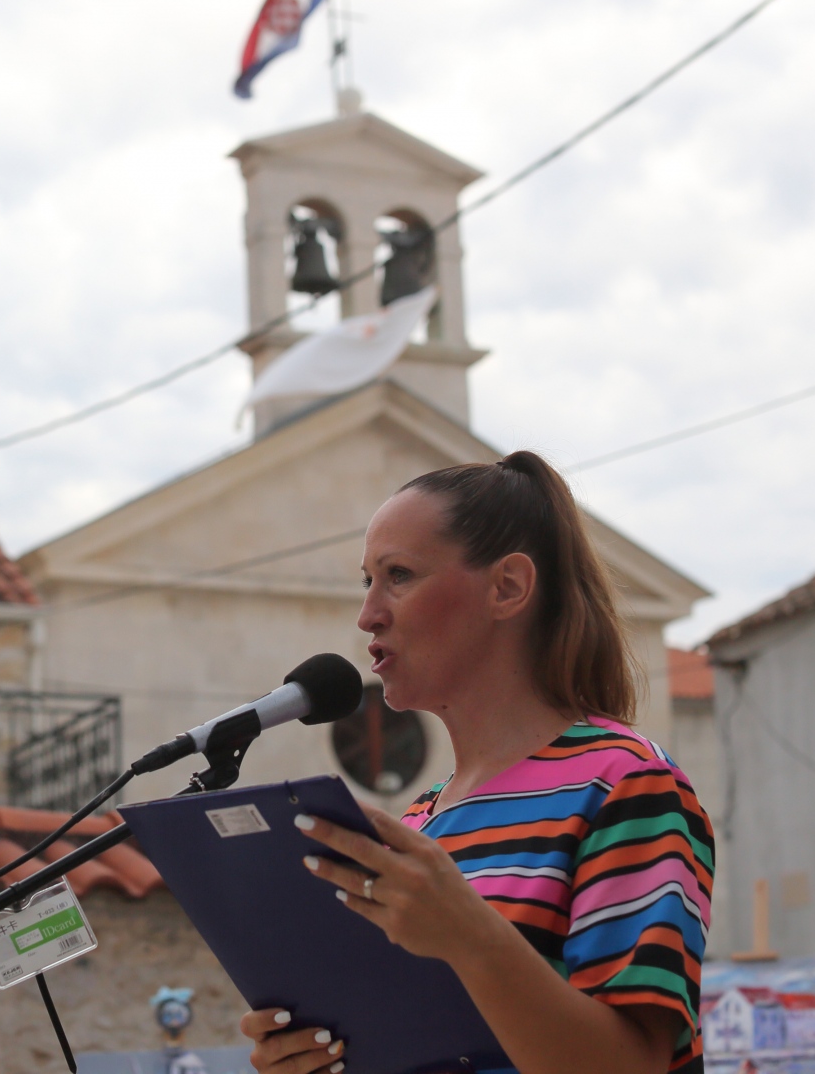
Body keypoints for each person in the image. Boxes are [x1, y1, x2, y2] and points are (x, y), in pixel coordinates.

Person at [241, 453, 713, 1074]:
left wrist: (472, 938)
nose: (368, 614)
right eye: (367, 582)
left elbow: (634, 1064)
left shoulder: (626, 784)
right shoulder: (420, 821)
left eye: (399, 575)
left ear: (507, 587)